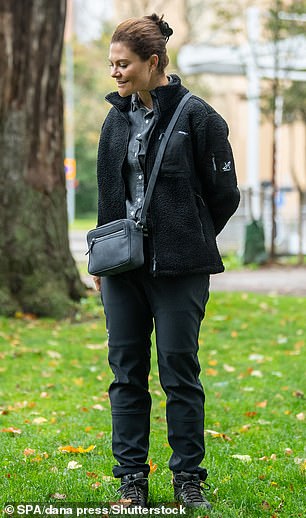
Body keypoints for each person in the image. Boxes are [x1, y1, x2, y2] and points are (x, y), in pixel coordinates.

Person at [92, 13, 240, 510]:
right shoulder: (114, 120)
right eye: (112, 64)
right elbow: (109, 196)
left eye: (123, 64)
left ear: (153, 62)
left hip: (181, 270)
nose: (115, 73)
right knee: (125, 373)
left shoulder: (201, 118)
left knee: (179, 372)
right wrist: (100, 263)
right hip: (122, 270)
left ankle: (188, 479)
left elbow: (224, 195)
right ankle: (131, 477)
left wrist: (188, 238)